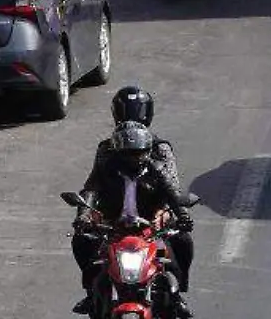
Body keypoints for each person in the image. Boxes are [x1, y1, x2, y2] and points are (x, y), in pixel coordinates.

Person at [70, 121, 197, 317]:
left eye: (140, 152)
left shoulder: (157, 171)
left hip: (149, 229)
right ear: (119, 152)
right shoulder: (106, 170)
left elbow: (172, 195)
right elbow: (90, 191)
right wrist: (84, 216)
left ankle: (178, 296)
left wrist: (183, 217)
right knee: (81, 240)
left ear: (147, 151)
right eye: (130, 153)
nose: (135, 158)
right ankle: (90, 294)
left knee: (183, 241)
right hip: (113, 227)